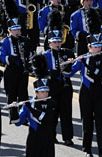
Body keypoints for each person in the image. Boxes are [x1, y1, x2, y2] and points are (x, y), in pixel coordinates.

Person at [10, 54, 56, 157]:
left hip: (48, 140)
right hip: (34, 139)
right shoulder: (29, 104)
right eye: (41, 92)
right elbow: (17, 122)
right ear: (36, 93)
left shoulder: (51, 104)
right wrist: (15, 109)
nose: (44, 94)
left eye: (46, 91)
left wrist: (29, 107)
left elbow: (43, 118)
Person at [66, 8, 102, 157]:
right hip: (85, 92)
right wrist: (69, 64)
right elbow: (70, 74)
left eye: (99, 46)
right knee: (87, 122)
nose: (98, 49)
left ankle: (101, 151)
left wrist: (84, 62)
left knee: (100, 122)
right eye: (95, 47)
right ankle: (87, 150)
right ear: (89, 48)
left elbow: (97, 74)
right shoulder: (83, 58)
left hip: (97, 91)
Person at [43, 9, 75, 146]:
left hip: (65, 85)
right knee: (52, 113)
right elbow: (41, 72)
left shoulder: (66, 52)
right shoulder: (44, 56)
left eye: (58, 41)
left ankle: (68, 137)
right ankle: (51, 135)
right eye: (54, 42)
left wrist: (70, 64)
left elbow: (72, 71)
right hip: (52, 86)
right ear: (49, 43)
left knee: (66, 112)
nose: (57, 44)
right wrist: (53, 72)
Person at [0, 0, 31, 124]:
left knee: (23, 94)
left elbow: (29, 53)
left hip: (22, 70)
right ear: (10, 30)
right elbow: (2, 56)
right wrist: (10, 58)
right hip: (11, 70)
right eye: (14, 29)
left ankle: (24, 116)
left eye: (18, 29)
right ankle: (13, 116)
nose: (17, 31)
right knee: (11, 94)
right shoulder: (5, 42)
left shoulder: (24, 40)